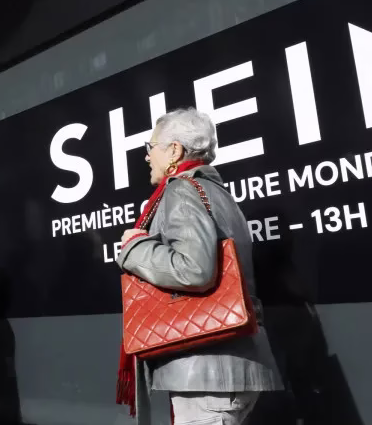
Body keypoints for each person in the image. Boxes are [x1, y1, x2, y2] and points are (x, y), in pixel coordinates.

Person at [117, 108, 283, 425]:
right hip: (227, 366)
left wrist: (134, 246)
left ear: (175, 150)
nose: (147, 157)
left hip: (207, 373)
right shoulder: (217, 192)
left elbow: (194, 269)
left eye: (151, 147)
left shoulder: (181, 190)